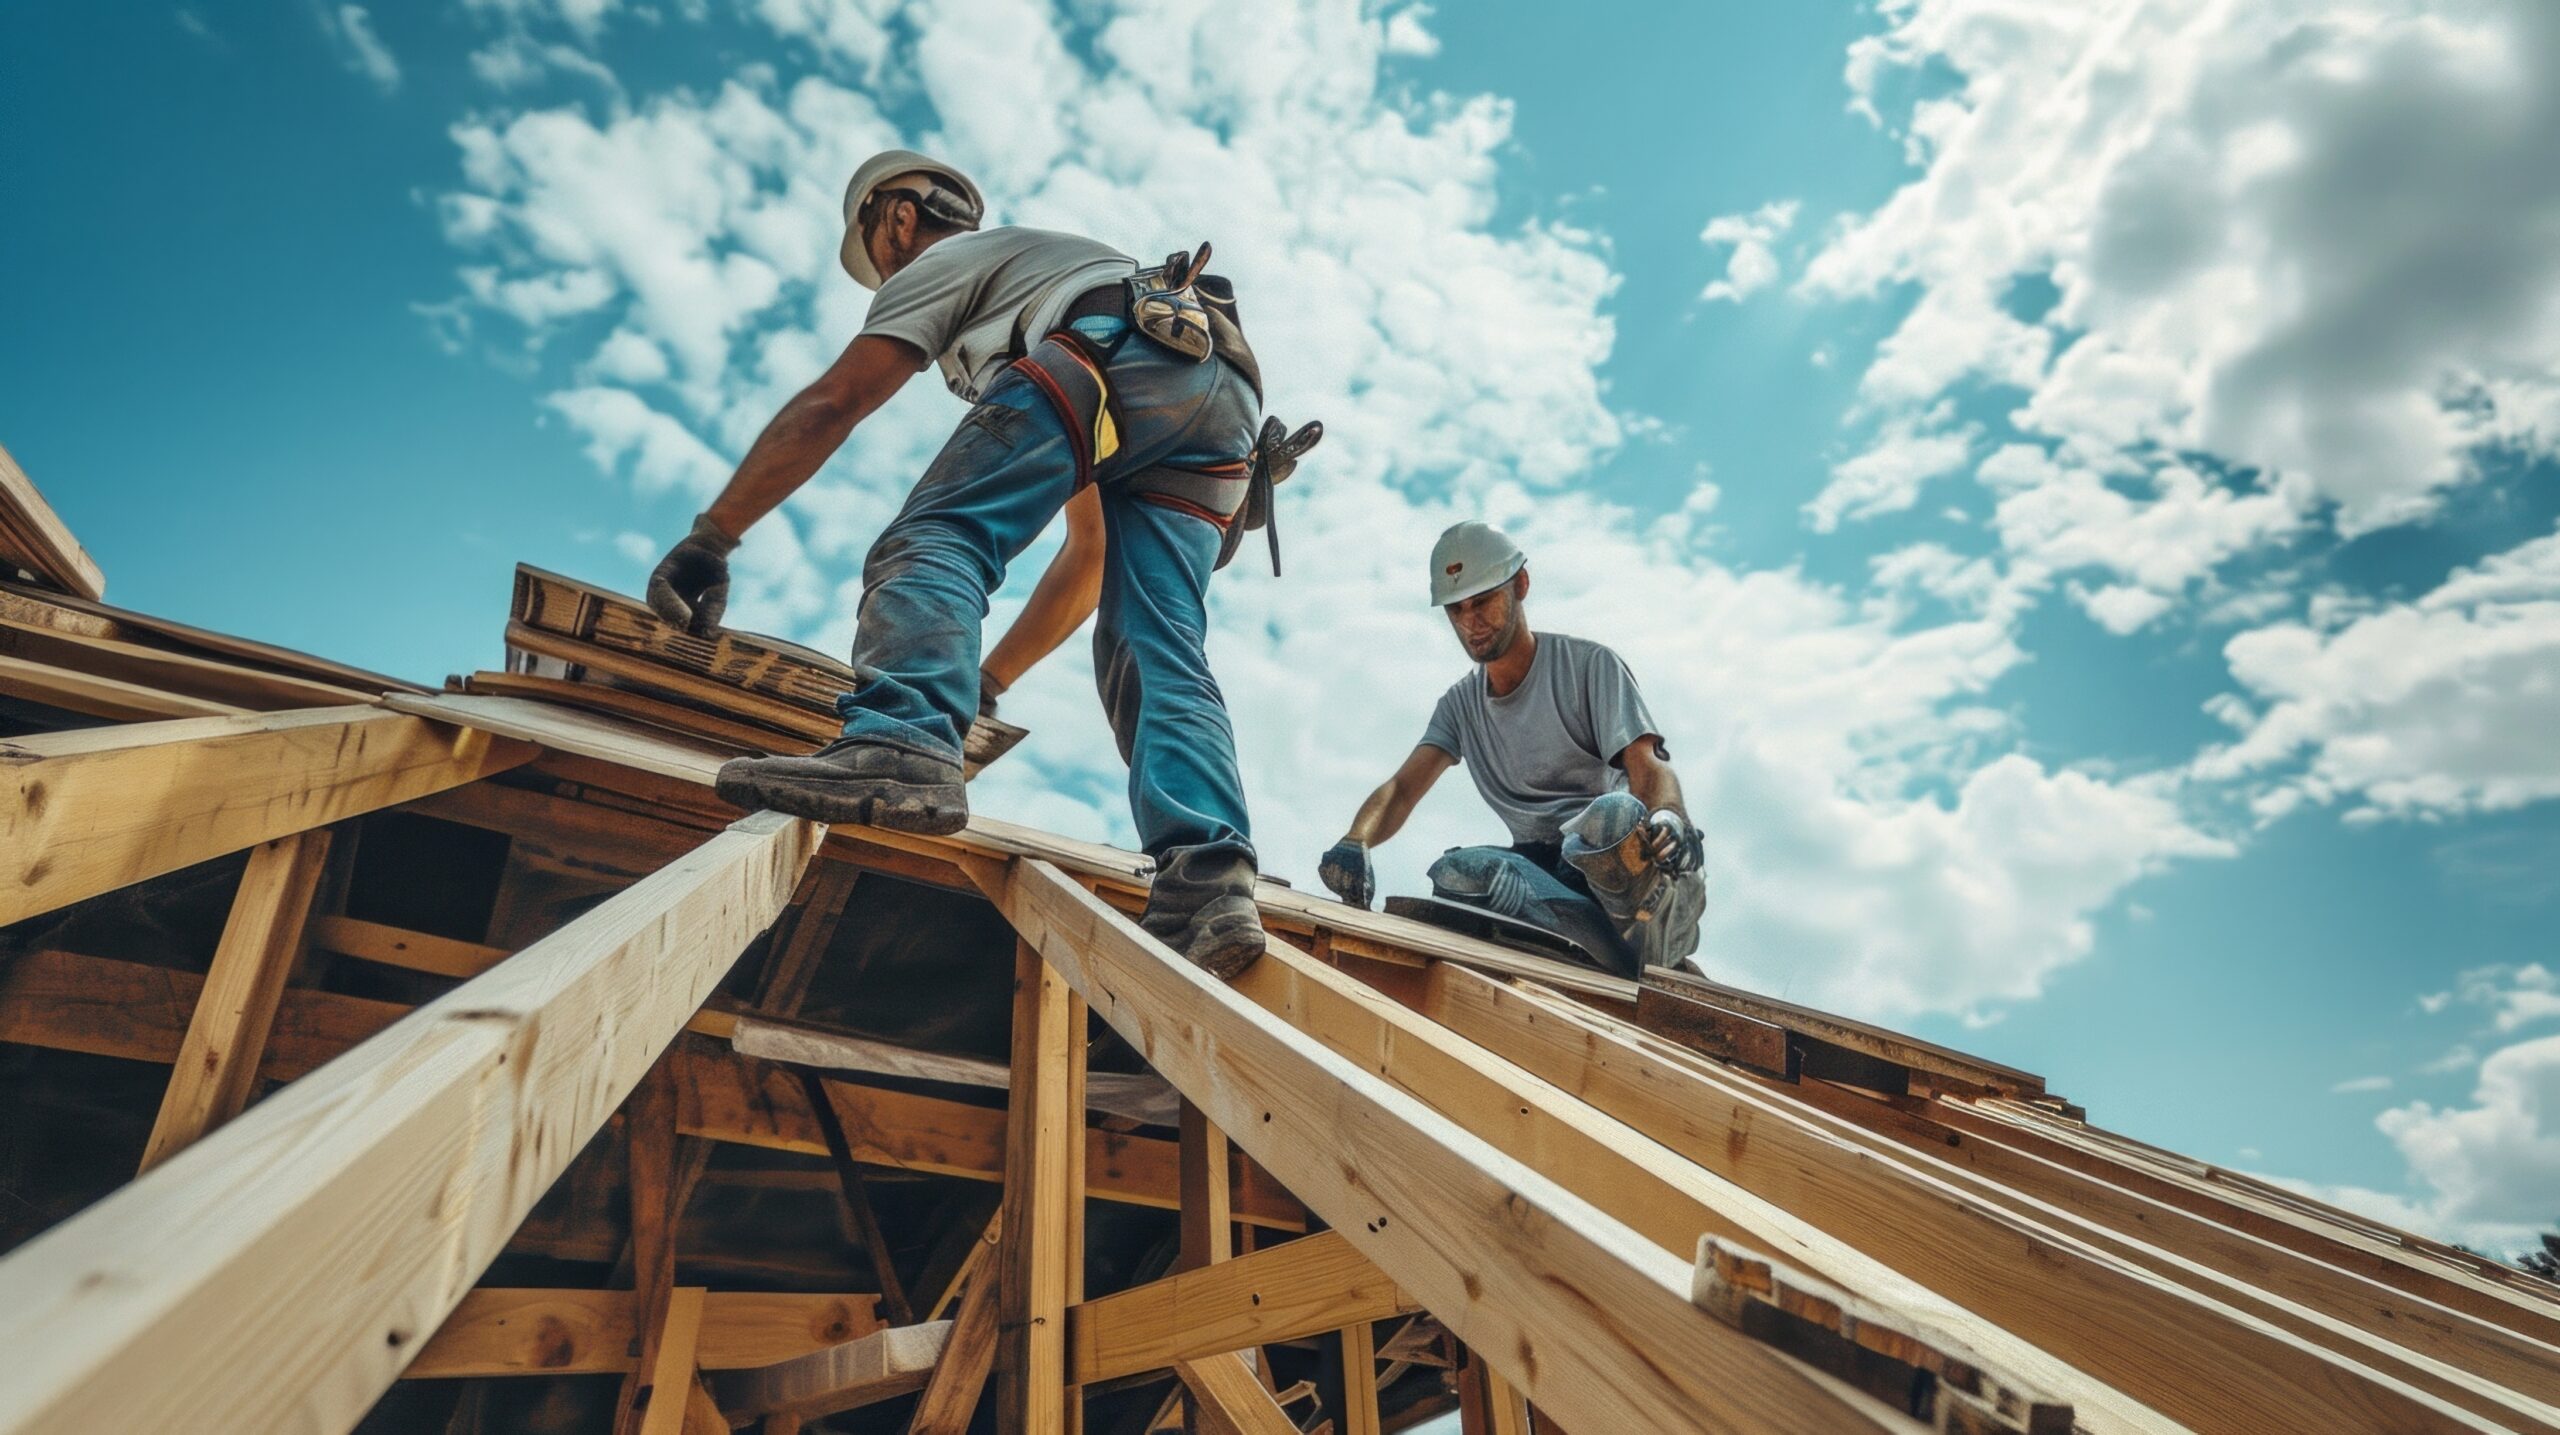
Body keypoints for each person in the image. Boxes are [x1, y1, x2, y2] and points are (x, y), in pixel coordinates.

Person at [643, 149, 1301, 979]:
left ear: (898, 217)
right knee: (1156, 639)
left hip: (1111, 349)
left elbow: (834, 401)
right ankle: (1210, 882)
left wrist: (712, 537)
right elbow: (1090, 551)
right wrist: (984, 685)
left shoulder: (943, 261)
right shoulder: (1039, 271)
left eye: (879, 255)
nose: (883, 276)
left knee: (934, 538)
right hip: (1219, 392)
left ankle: (902, 745)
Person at [1316, 521, 1705, 976]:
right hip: (1551, 874)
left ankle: (1641, 949)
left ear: (1520, 584)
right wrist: (1354, 841)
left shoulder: (1589, 666)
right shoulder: (1460, 706)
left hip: (1635, 867)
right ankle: (1586, 941)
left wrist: (1669, 817)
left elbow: (1650, 769)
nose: (1470, 621)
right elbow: (1402, 788)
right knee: (1458, 871)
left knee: (1611, 814)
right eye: (1456, 609)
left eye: (1482, 601)